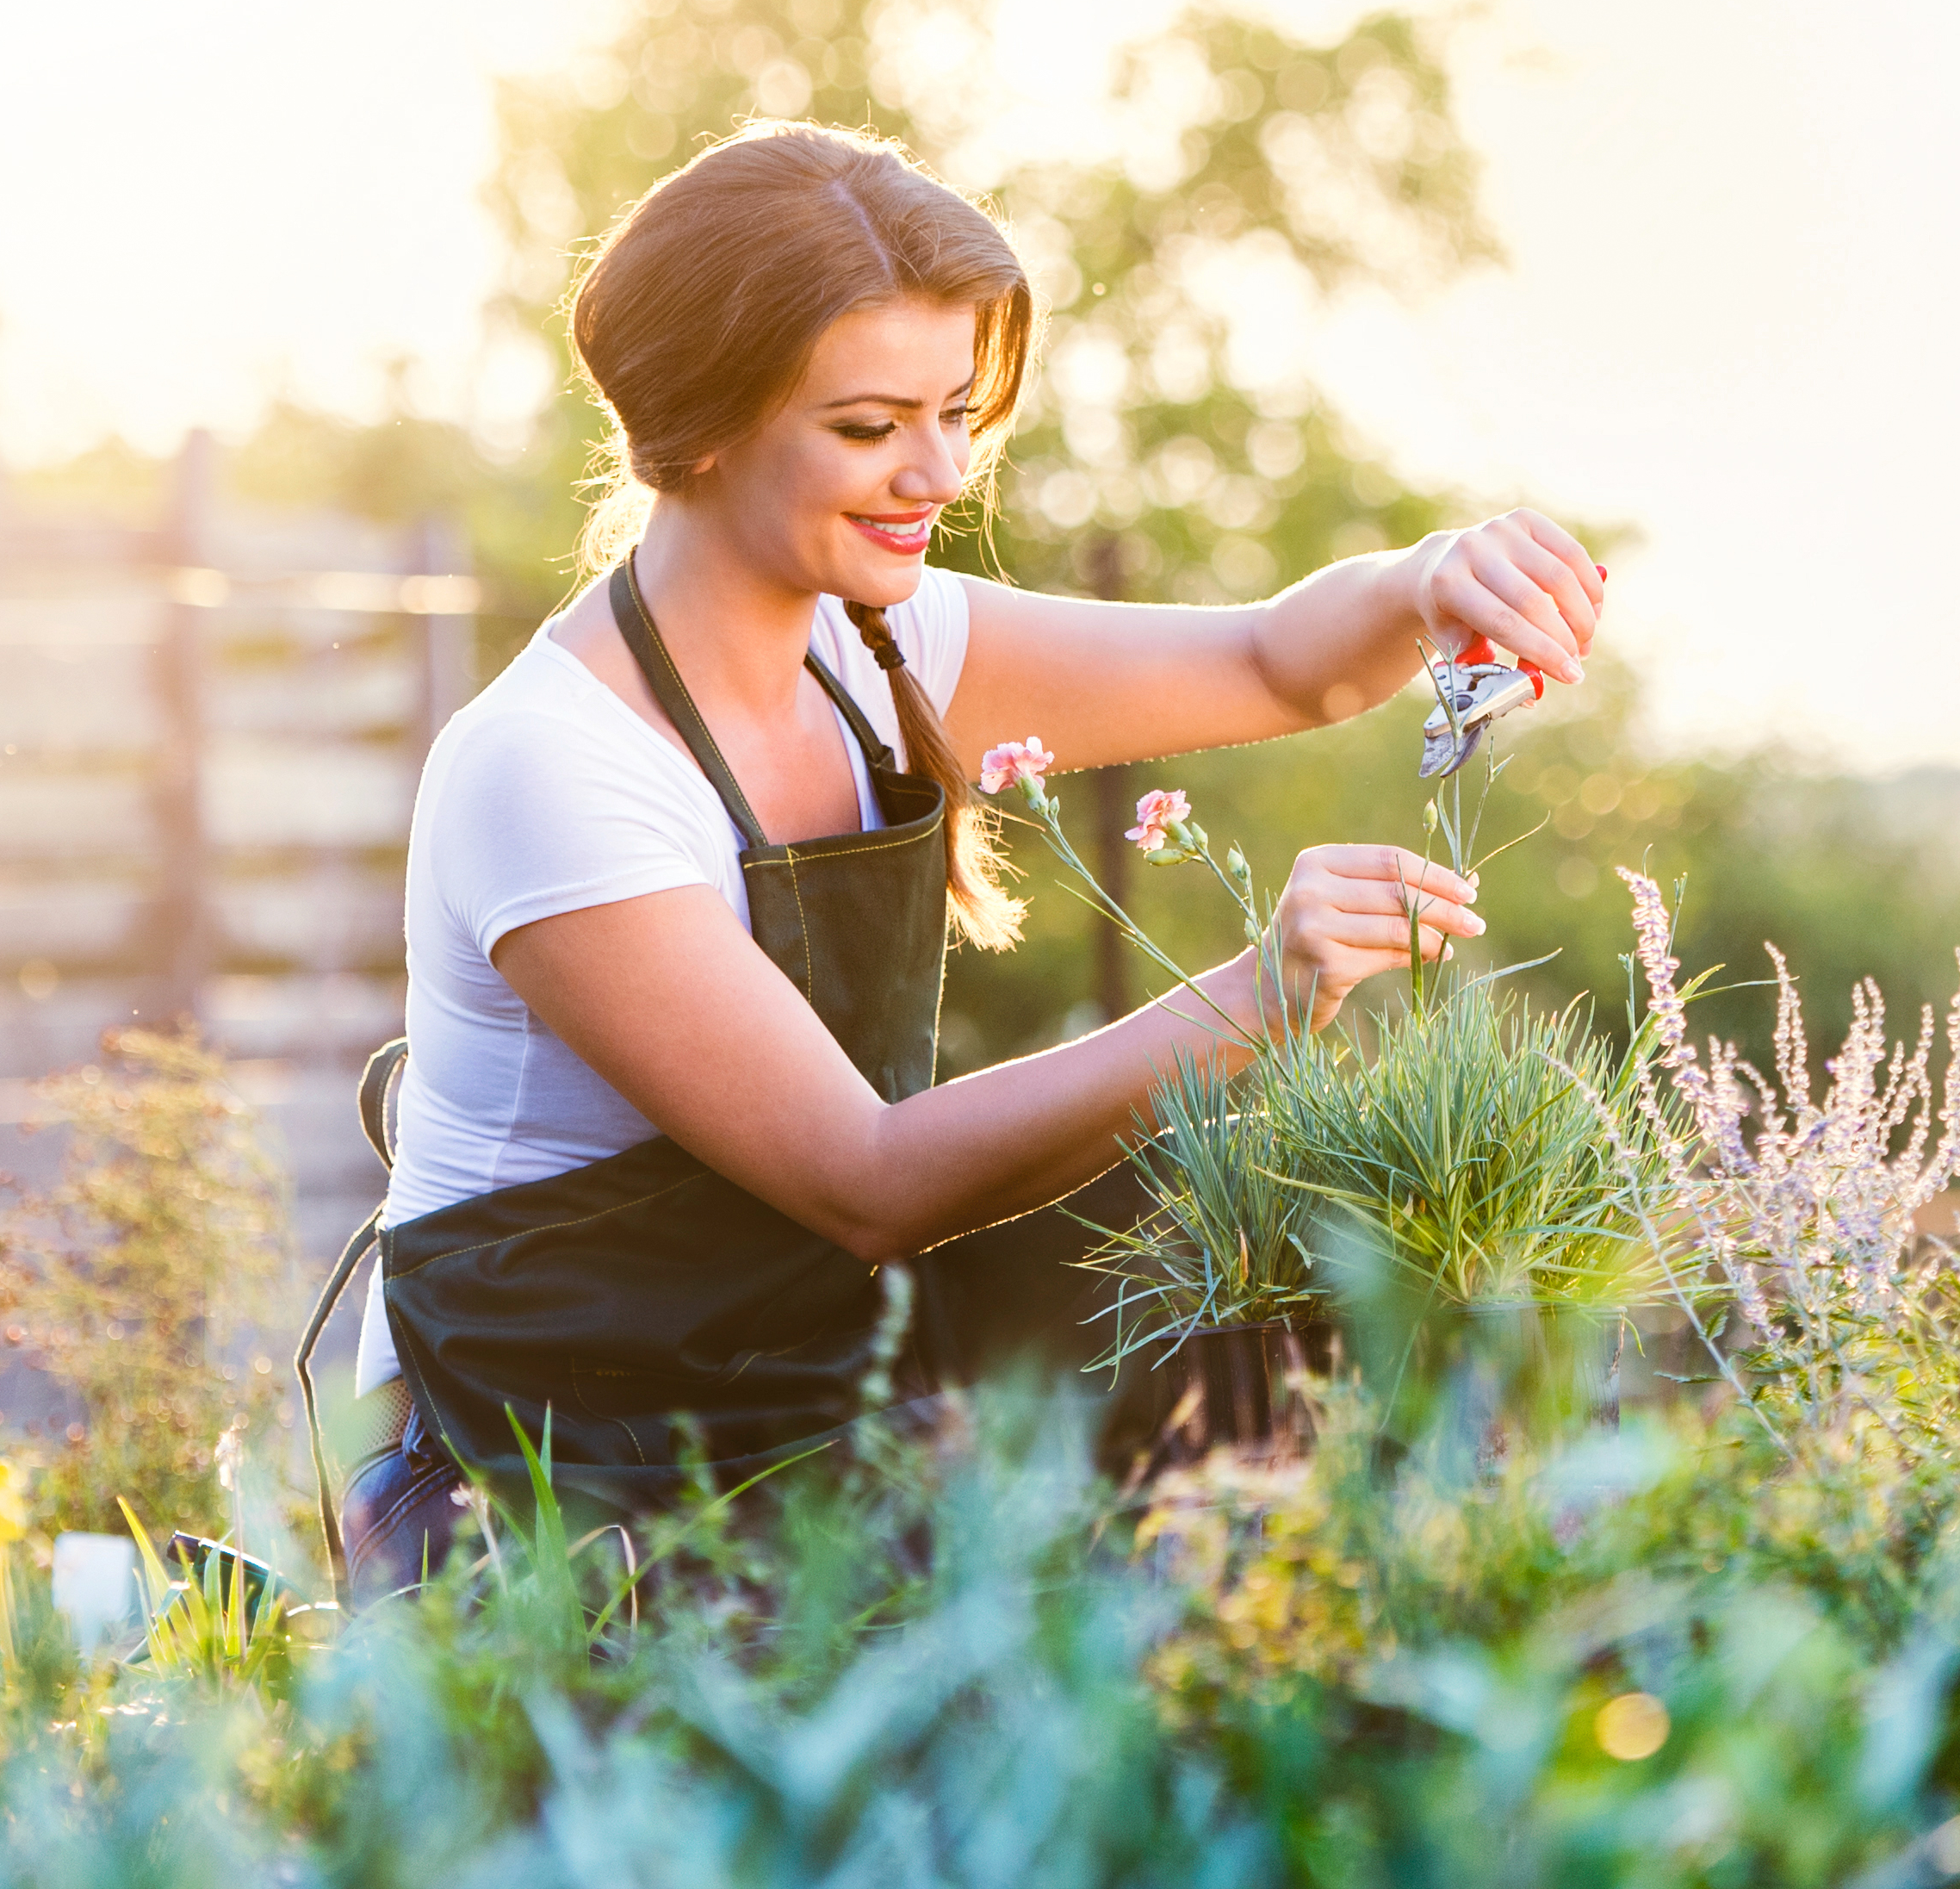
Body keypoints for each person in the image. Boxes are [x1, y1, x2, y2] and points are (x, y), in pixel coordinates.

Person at [325, 120, 1603, 1588]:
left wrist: (1428, 575)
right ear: (704, 425)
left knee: (1287, 1272)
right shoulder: (551, 767)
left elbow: (1273, 664)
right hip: (551, 1464)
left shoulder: (880, 647)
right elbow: (866, 1177)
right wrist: (1263, 989)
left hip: (805, 1352)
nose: (936, 471)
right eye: (870, 428)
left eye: (957, 409)